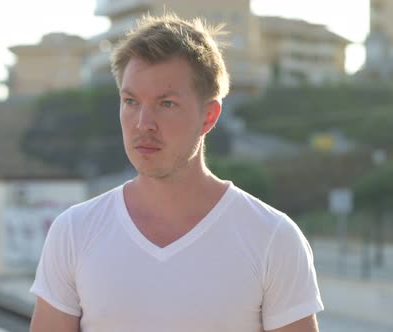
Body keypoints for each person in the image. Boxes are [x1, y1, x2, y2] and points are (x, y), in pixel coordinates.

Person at [29, 13, 324, 332]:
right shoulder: (74, 232)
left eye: (166, 103)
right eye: (131, 101)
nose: (143, 123)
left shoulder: (272, 238)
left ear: (209, 116)